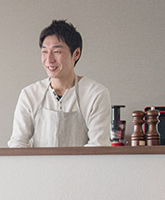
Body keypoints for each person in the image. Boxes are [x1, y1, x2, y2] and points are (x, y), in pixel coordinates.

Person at [8, 20, 111, 148]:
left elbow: (98, 145)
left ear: (76, 54)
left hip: (82, 167)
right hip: (38, 167)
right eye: (45, 51)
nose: (49, 59)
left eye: (57, 51)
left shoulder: (96, 94)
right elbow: (18, 142)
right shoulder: (29, 94)